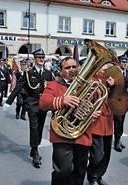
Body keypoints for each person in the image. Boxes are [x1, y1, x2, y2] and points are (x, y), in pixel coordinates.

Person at [39, 57, 95, 185]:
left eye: (74, 67)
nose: (71, 70)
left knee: (80, 171)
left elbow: (94, 103)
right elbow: (43, 103)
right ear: (60, 70)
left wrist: (93, 112)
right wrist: (62, 100)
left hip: (82, 134)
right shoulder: (54, 85)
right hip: (62, 135)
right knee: (63, 170)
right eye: (67, 67)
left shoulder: (86, 85)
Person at [5, 48, 54, 168]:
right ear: (34, 59)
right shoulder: (28, 73)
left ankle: (34, 147)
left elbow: (53, 89)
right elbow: (18, 87)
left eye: (43, 57)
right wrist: (9, 102)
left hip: (43, 105)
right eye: (39, 57)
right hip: (32, 104)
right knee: (34, 127)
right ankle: (36, 151)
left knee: (40, 128)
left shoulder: (48, 73)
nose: (41, 59)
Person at [87, 63, 116, 185]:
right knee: (97, 155)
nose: (106, 72)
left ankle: (99, 175)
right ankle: (92, 176)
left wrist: (113, 87)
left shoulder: (110, 82)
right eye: (104, 70)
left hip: (108, 122)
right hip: (96, 123)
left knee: (106, 154)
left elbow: (117, 99)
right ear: (97, 69)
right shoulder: (91, 81)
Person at [113, 56, 128, 152]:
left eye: (126, 62)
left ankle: (118, 139)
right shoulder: (115, 73)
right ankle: (116, 142)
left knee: (121, 121)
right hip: (114, 100)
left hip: (124, 100)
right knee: (117, 121)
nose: (125, 64)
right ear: (119, 62)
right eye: (123, 62)